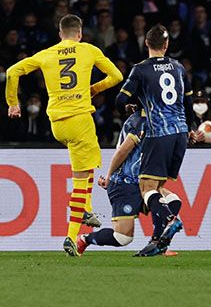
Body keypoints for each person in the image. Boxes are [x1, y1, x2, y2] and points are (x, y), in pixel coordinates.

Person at [5, 14, 123, 257]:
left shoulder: (47, 54)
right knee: (81, 180)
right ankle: (71, 236)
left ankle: (88, 210)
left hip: (57, 122)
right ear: (79, 34)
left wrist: (13, 103)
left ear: (60, 35)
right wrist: (94, 88)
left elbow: (12, 72)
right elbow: (117, 76)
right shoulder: (88, 50)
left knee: (88, 166)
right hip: (80, 119)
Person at [116, 24, 196, 257]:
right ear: (167, 45)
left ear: (146, 44)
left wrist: (131, 105)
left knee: (146, 187)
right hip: (180, 133)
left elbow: (121, 99)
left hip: (157, 132)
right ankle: (157, 242)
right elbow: (188, 104)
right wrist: (190, 129)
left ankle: (171, 220)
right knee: (159, 188)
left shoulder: (140, 70)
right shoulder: (179, 67)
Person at [74, 109, 183, 257]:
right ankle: (84, 239)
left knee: (173, 201)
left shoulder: (156, 119)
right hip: (124, 182)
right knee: (123, 238)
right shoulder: (139, 121)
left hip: (141, 180)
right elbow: (122, 152)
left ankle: (157, 245)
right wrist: (109, 176)